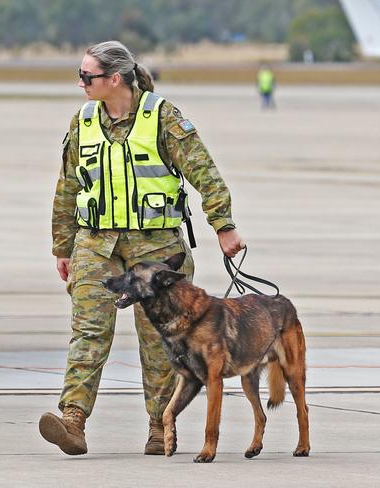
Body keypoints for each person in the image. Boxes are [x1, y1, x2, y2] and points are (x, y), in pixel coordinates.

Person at [40, 40, 243, 456]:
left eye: (87, 76)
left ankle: (159, 425)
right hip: (97, 243)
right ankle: (73, 420)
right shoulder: (84, 121)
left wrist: (223, 226)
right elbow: (68, 187)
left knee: (159, 339)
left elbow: (204, 172)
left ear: (115, 79)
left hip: (157, 249)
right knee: (89, 331)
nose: (80, 83)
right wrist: (63, 246)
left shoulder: (162, 117)